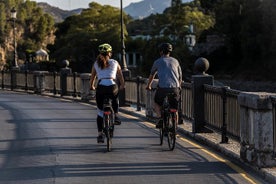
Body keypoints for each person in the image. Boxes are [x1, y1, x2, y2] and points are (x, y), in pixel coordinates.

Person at [90, 43, 125, 143]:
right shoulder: (115, 62)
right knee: (115, 98)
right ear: (109, 53)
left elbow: (92, 78)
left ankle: (100, 134)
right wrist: (122, 85)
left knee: (100, 112)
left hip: (101, 87)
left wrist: (92, 86)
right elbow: (120, 76)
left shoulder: (96, 63)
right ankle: (117, 115)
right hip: (112, 86)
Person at [146, 42, 182, 128]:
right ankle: (175, 128)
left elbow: (152, 75)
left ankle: (160, 118)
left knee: (157, 103)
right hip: (175, 89)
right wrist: (179, 86)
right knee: (174, 109)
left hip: (162, 89)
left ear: (161, 51)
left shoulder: (157, 62)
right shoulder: (175, 61)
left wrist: (149, 85)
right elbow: (180, 76)